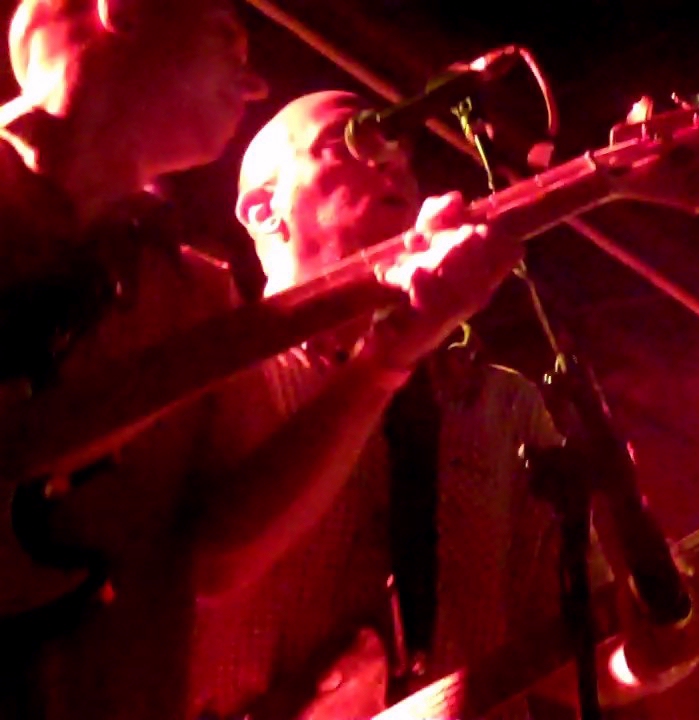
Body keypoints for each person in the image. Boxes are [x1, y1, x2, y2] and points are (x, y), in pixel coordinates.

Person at [0, 3, 523, 720]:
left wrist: (393, 351)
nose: (254, 86)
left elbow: (215, 558)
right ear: (122, 10)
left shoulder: (194, 293)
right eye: (228, 35)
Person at [231, 89, 699, 719]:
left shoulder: (500, 405)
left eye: (400, 148)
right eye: (347, 141)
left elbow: (561, 654)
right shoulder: (216, 372)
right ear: (264, 208)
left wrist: (642, 663)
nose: (391, 159)